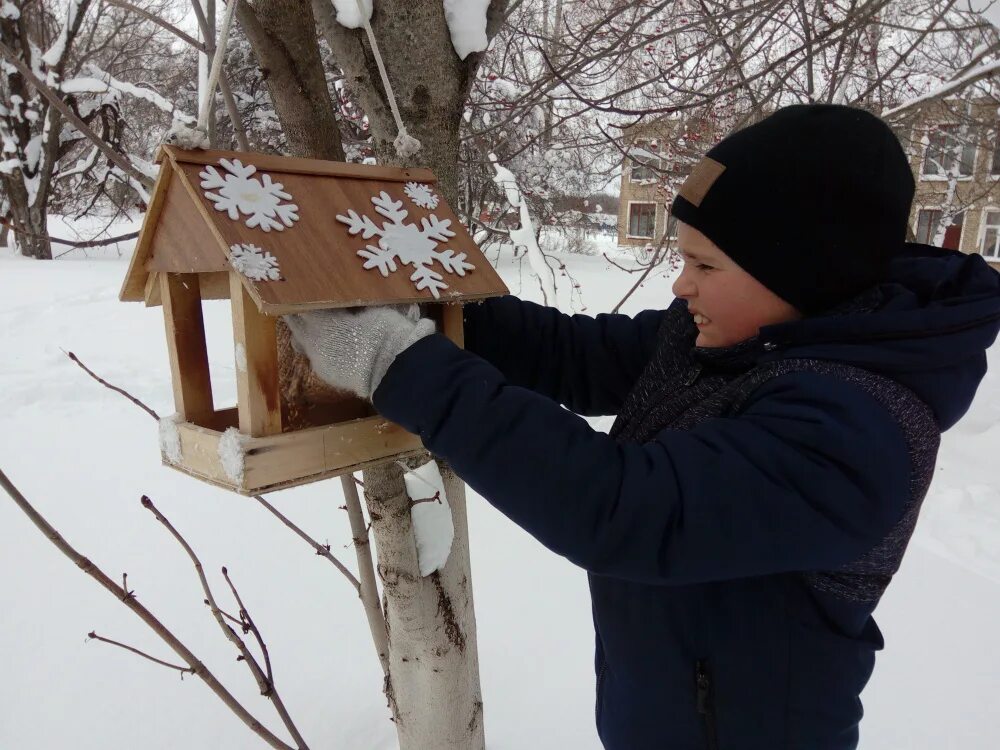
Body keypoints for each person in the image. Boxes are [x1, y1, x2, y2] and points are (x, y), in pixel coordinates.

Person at [285, 104, 1000, 750]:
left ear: (804, 277)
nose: (680, 284)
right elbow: (577, 355)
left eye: (703, 263)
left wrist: (396, 363)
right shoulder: (722, 334)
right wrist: (445, 314)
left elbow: (623, 509)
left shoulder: (859, 429)